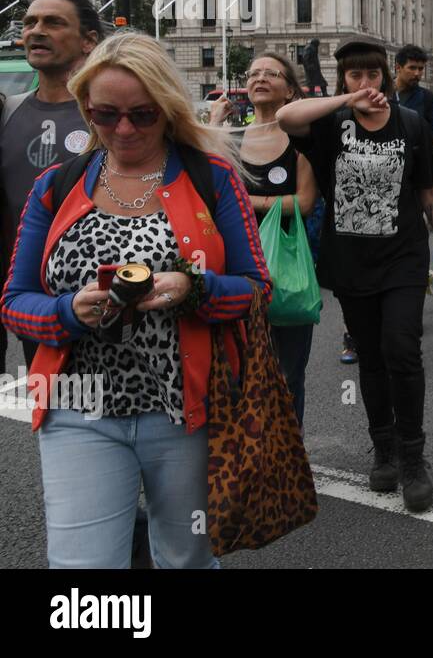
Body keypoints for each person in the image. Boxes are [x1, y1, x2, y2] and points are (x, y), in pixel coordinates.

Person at [1, 32, 271, 568]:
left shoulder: (210, 178)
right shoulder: (57, 185)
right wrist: (64, 312)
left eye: (142, 115)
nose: (123, 129)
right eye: (106, 114)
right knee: (82, 570)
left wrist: (192, 289)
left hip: (184, 410)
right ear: (86, 109)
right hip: (77, 405)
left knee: (185, 558)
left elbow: (257, 289)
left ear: (168, 110)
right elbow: (14, 300)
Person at [277, 39, 433, 513]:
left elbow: (429, 190)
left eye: (373, 75)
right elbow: (287, 118)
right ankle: (384, 448)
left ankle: (415, 457)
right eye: (355, 76)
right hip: (350, 260)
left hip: (402, 257)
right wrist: (346, 101)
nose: (365, 84)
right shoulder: (332, 125)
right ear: (344, 82)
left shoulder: (412, 124)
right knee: (372, 359)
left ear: (386, 76)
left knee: (402, 348)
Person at [210, 53, 318, 427]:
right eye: (253, 74)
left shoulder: (301, 140)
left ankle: (289, 454)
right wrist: (213, 124)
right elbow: (208, 190)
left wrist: (249, 201)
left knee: (287, 373)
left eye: (270, 73)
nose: (259, 78)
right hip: (234, 269)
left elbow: (304, 202)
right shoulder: (231, 139)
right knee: (235, 369)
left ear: (289, 89)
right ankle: (249, 454)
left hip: (284, 271)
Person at [1, 0, 102, 372]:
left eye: (53, 22)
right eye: (30, 23)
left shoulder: (112, 117)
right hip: (36, 304)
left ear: (88, 40)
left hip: (104, 296)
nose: (36, 31)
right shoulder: (8, 113)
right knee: (55, 418)